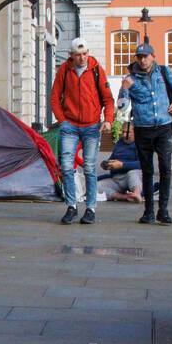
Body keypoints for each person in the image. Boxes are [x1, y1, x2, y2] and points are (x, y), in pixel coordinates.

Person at [49, 37, 115, 225]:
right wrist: (62, 120)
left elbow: (108, 99)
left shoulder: (96, 70)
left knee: (89, 167)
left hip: (92, 125)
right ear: (71, 56)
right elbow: (55, 97)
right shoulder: (64, 70)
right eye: (78, 55)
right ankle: (71, 206)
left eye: (85, 54)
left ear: (88, 53)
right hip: (70, 125)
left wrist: (108, 120)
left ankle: (90, 208)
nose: (82, 58)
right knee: (67, 167)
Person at [127, 42, 172, 225]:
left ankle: (164, 211)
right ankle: (149, 211)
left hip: (163, 126)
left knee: (165, 168)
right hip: (143, 128)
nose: (143, 60)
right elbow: (122, 102)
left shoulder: (164, 72)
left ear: (153, 57)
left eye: (146, 56)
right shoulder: (131, 78)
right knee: (147, 170)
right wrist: (125, 88)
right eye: (140, 57)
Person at [100, 131, 143, 203]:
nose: (124, 135)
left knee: (132, 173)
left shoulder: (140, 144)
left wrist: (122, 165)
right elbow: (111, 158)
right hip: (116, 178)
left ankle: (136, 193)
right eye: (123, 132)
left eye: (128, 132)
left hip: (132, 177)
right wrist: (107, 164)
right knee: (95, 186)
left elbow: (143, 164)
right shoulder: (119, 143)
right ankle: (125, 197)